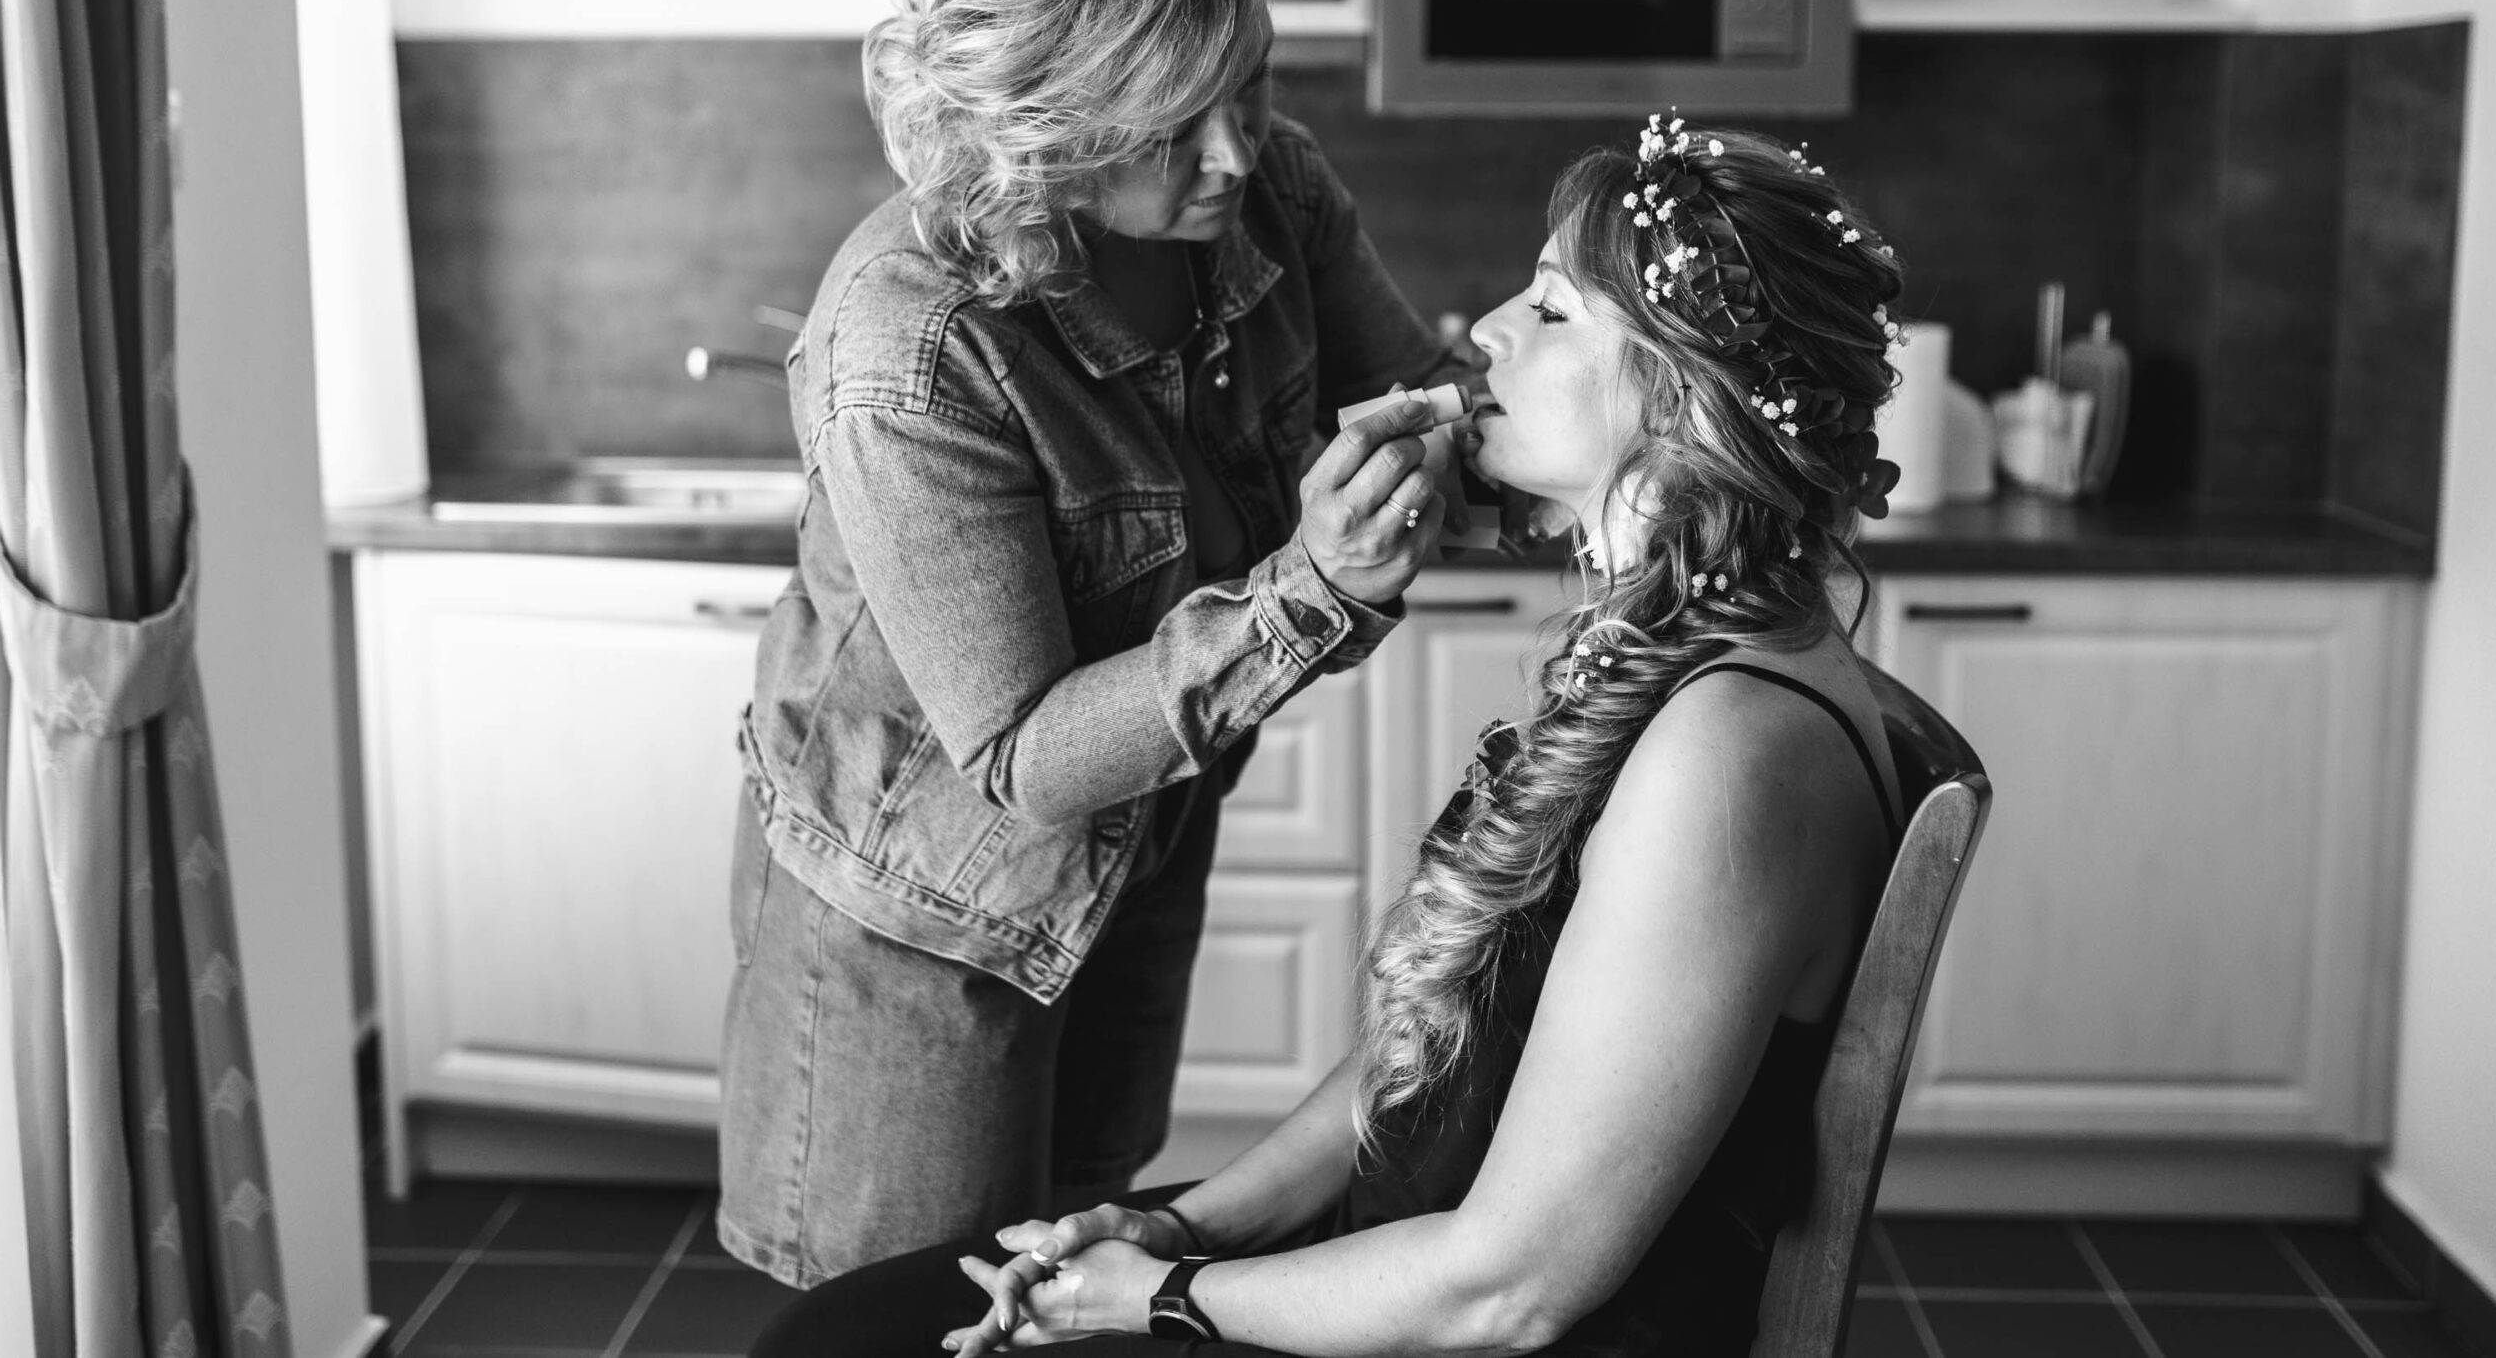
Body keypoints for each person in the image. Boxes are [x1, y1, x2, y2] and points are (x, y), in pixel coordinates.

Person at [746, 120, 1919, 1357]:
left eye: (1552, 309)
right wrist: (1182, 1228)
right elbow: (1431, 1051)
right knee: (852, 1332)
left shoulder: (1723, 762)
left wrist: (1156, 1297)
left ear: (1685, 397)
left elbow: (1510, 1291)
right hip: (1411, 1259)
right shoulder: (1676, 649)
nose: (1486, 333)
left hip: (1487, 1322)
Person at [716, 0, 1470, 1287]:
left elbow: (1415, 396)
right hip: (916, 926)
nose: (1234, 151)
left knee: (1073, 1280)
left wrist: (1595, 414)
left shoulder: (1269, 196)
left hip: (1134, 864)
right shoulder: (913, 347)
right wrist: (1310, 589)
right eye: (1172, 120)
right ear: (1045, 124)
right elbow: (1023, 757)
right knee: (906, 1315)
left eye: (1248, 82)